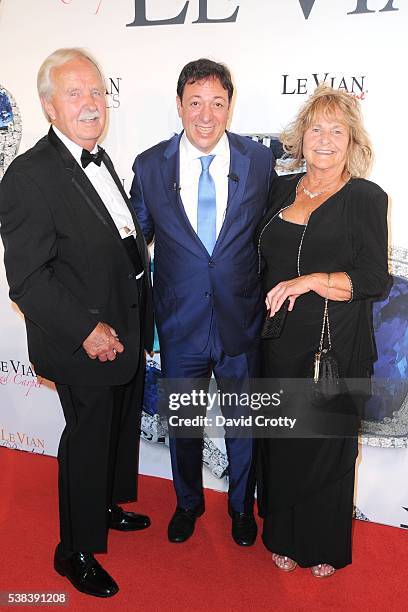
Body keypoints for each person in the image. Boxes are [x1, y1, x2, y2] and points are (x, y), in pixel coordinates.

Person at [0, 48, 153, 598]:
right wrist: (88, 329)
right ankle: (74, 551)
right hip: (82, 338)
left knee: (114, 430)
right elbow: (29, 279)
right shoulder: (27, 176)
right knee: (88, 439)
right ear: (47, 106)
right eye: (74, 94)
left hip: (126, 323)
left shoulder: (98, 156)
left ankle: (105, 506)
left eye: (95, 92)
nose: (91, 104)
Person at [130, 58, 275, 546]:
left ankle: (241, 510)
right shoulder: (150, 166)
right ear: (179, 105)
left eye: (217, 102)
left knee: (244, 427)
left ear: (230, 106)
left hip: (241, 322)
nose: (206, 114)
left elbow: (274, 234)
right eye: (195, 102)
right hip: (179, 325)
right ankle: (187, 504)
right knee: (184, 425)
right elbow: (133, 243)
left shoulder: (259, 162)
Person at [256, 85, 389, 577]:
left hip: (334, 346)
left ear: (352, 141)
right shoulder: (280, 190)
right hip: (277, 341)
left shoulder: (365, 197)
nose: (325, 139)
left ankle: (323, 542)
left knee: (327, 445)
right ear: (301, 137)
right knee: (285, 441)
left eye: (338, 130)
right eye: (316, 128)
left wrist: (313, 280)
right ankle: (283, 534)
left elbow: (375, 277)